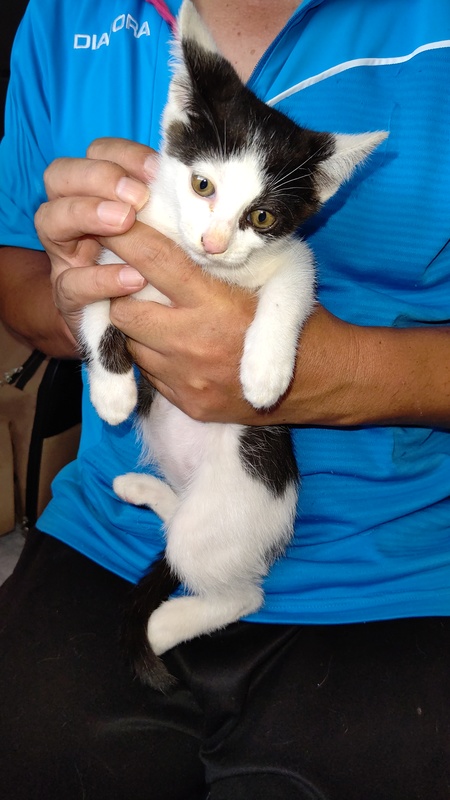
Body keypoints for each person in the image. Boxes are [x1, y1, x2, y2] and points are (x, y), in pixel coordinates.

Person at [1, 0, 450, 796]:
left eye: (257, 217)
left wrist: (338, 372)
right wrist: (83, 301)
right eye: (206, 189)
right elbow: (20, 281)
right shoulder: (63, 17)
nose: (216, 239)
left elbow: (289, 272)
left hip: (387, 573)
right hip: (106, 528)